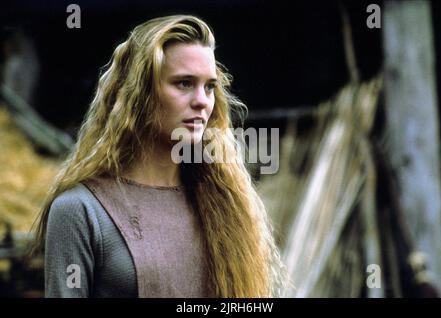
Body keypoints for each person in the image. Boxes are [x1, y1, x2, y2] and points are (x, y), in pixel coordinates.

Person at [32, 15, 284, 298]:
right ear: (141, 95)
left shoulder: (225, 203)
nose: (202, 100)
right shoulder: (81, 211)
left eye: (209, 86)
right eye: (184, 83)